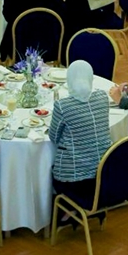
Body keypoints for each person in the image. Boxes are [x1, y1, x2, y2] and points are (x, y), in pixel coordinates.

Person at [48, 60, 112, 205]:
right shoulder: (102, 97)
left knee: (46, 173)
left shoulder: (62, 106)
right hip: (103, 174)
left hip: (73, 180)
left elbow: (53, 137)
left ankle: (67, 210)